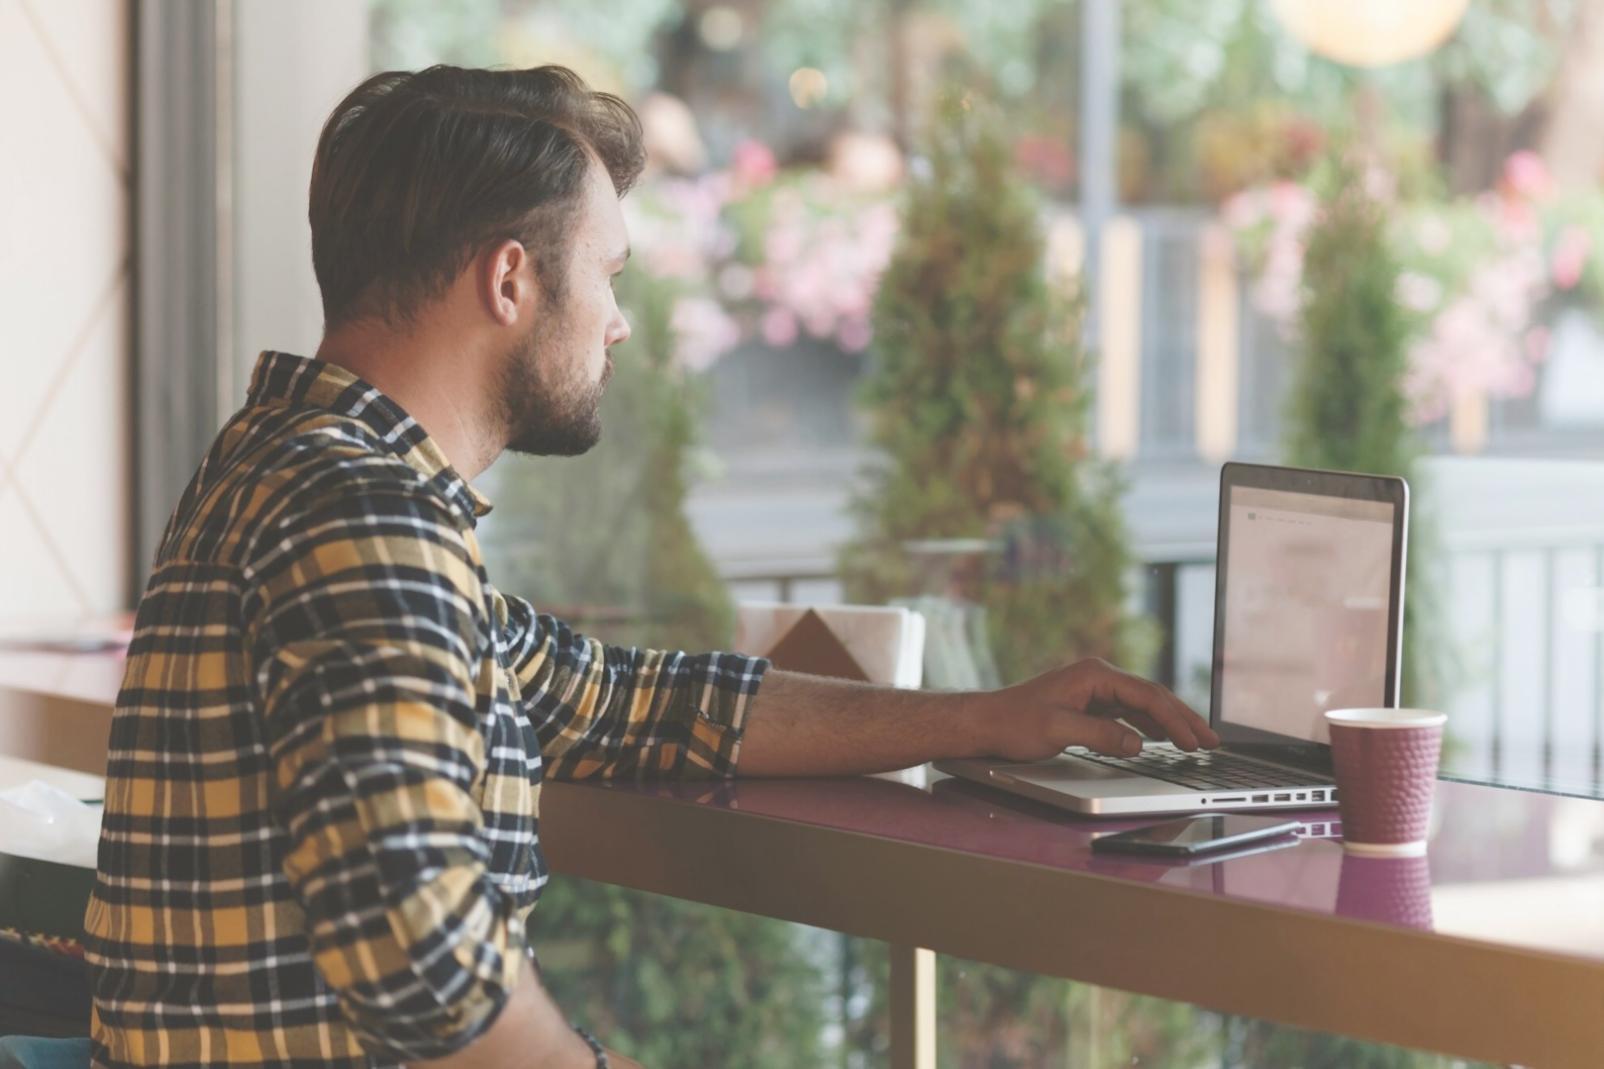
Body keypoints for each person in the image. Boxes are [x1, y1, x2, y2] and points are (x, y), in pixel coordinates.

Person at [83, 65, 1218, 1069]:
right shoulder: (363, 513)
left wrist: (980, 718)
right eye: (608, 273)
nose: (619, 323)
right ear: (511, 280)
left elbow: (620, 699)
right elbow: (423, 964)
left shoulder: (289, 467)